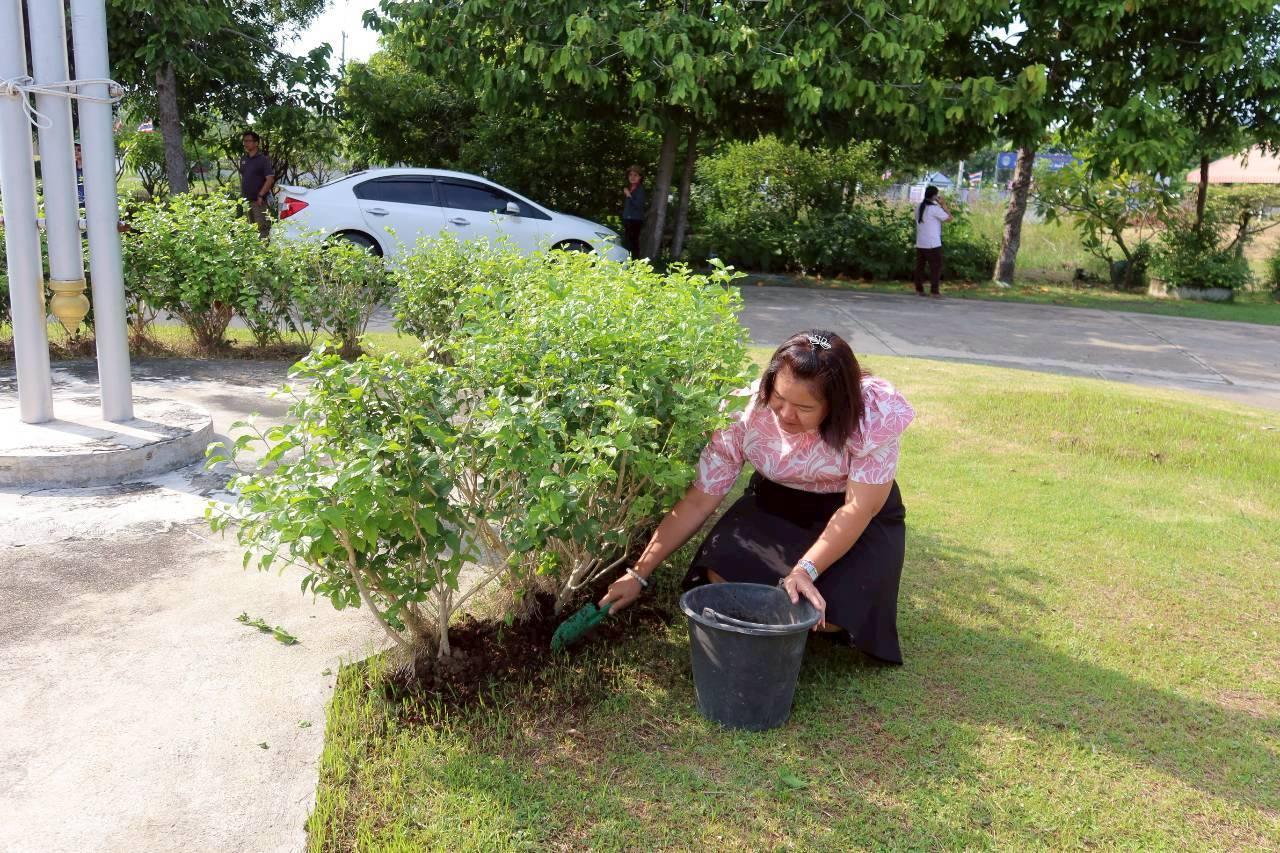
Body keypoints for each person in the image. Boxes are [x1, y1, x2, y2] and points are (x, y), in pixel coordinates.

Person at [600, 330, 916, 664]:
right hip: (776, 505)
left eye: (804, 407)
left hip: (852, 518)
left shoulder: (871, 417)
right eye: (779, 398)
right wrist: (638, 572)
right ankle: (782, 614)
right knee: (721, 575)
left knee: (838, 613)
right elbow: (699, 499)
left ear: (836, 404)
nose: (785, 415)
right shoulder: (744, 412)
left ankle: (795, 613)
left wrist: (805, 569)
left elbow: (858, 508)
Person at [914, 185, 951, 297]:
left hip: (921, 242)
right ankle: (934, 291)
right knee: (936, 266)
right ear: (934, 196)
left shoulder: (919, 206)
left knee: (920, 267)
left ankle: (919, 289)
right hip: (932, 243)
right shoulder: (934, 209)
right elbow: (949, 218)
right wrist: (943, 205)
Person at [240, 131, 275, 239]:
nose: (246, 143)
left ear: (256, 143)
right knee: (250, 228)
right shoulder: (243, 159)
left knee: (262, 227)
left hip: (258, 201)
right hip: (246, 200)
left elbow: (270, 179)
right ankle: (254, 253)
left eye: (248, 141)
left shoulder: (263, 160)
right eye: (244, 141)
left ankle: (265, 252)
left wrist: (260, 195)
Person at [621, 166, 647, 258]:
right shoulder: (630, 188)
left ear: (640, 177)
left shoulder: (640, 189)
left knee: (633, 244)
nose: (632, 177)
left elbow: (638, 205)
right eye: (630, 175)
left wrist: (628, 195)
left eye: (635, 175)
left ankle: (634, 266)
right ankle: (626, 265)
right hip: (627, 219)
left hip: (635, 220)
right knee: (627, 243)